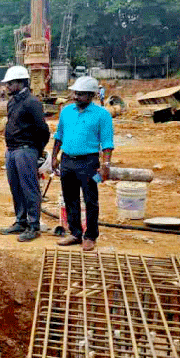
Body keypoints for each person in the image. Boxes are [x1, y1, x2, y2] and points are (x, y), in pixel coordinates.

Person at [53, 76, 114, 252]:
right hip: (67, 161)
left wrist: (106, 165)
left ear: (91, 95)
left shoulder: (102, 115)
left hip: (89, 163)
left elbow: (107, 143)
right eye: (75, 93)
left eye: (80, 94)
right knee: (70, 198)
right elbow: (59, 135)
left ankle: (90, 236)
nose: (75, 97)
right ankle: (75, 233)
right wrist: (54, 157)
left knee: (90, 200)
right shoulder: (66, 112)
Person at [0, 66, 50, 242]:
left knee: (30, 188)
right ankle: (21, 221)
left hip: (26, 150)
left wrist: (36, 150)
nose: (7, 86)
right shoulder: (12, 102)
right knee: (16, 188)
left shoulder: (32, 102)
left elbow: (43, 130)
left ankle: (34, 225)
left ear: (21, 83)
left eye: (10, 83)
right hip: (12, 150)